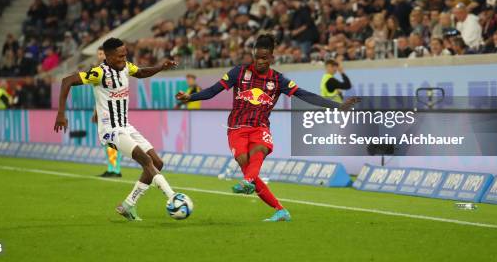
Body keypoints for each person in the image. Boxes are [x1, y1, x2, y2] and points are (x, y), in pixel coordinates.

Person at [176, 34, 359, 222]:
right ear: (253, 55)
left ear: (271, 58)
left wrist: (338, 106)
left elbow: (305, 95)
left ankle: (247, 182)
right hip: (237, 128)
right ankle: (280, 209)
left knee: (259, 152)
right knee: (248, 168)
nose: (260, 62)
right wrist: (190, 97)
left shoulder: (278, 80)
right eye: (257, 57)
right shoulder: (238, 72)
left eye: (264, 58)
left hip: (260, 127)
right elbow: (212, 91)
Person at [54, 38, 180, 221]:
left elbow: (142, 72)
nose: (123, 59)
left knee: (157, 162)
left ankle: (128, 205)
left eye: (125, 55)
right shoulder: (99, 73)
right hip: (110, 130)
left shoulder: (126, 67)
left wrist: (161, 67)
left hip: (126, 126)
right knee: (145, 160)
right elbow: (67, 81)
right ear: (109, 56)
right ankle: (173, 197)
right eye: (120, 56)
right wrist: (60, 113)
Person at [92, 46, 122, 178]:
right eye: (98, 54)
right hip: (103, 109)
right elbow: (99, 95)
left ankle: (115, 169)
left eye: (101, 54)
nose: (99, 56)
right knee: (108, 140)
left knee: (112, 140)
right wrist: (96, 111)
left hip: (111, 110)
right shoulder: (98, 71)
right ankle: (111, 168)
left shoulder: (110, 72)